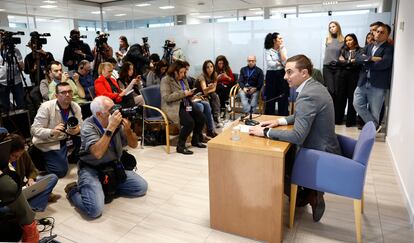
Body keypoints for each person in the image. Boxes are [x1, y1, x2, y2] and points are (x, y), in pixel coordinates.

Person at [249, 54, 341, 222]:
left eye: (289, 72)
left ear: (304, 73)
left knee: (276, 165)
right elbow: (301, 115)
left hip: (319, 154)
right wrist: (279, 121)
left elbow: (298, 136)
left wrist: (265, 132)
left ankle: (308, 196)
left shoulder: (308, 95)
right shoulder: (314, 87)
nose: (285, 77)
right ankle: (306, 194)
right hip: (325, 145)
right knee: (284, 157)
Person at [64, 96, 148, 218]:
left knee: (140, 188)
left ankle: (105, 188)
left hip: (113, 166)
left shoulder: (116, 123)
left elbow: (134, 145)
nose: (116, 112)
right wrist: (111, 128)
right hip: (91, 169)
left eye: (115, 107)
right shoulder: (88, 126)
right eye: (111, 110)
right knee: (94, 210)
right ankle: (73, 191)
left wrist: (128, 130)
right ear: (99, 114)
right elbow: (97, 153)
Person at [31, 82, 83, 178]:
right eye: (63, 92)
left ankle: (68, 156)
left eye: (69, 91)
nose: (67, 94)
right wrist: (51, 131)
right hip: (52, 140)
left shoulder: (75, 106)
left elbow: (81, 125)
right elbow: (34, 130)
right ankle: (38, 154)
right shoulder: (46, 107)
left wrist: (77, 130)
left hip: (68, 138)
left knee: (87, 148)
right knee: (60, 172)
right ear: (56, 96)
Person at [4, 133, 60, 212]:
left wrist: (31, 179)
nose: (17, 158)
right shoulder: (2, 160)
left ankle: (31, 206)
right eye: (14, 156)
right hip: (11, 195)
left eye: (19, 156)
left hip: (22, 188)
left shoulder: (22, 153)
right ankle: (37, 200)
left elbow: (31, 169)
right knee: (4, 209)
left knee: (53, 177)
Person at [160, 60, 206, 155]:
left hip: (186, 103)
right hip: (173, 106)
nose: (183, 74)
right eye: (181, 72)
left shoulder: (184, 79)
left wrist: (190, 93)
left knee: (201, 118)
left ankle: (195, 140)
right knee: (189, 122)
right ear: (174, 71)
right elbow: (167, 97)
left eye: (184, 72)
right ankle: (180, 146)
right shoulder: (166, 80)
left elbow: (186, 92)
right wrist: (183, 93)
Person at [354, 23, 394, 131]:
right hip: (362, 82)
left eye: (382, 32)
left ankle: (372, 134)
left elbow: (385, 63)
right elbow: (357, 58)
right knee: (357, 104)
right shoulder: (368, 46)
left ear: (387, 35)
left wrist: (366, 61)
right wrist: (372, 58)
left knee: (375, 111)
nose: (378, 34)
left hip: (377, 85)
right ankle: (376, 126)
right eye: (377, 31)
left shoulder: (389, 48)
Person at [338, 33, 362, 127]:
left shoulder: (360, 50)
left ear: (355, 40)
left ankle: (350, 121)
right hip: (343, 76)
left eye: (350, 40)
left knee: (352, 98)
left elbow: (358, 63)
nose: (348, 42)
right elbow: (339, 63)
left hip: (354, 76)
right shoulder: (343, 50)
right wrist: (350, 62)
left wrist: (346, 62)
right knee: (341, 98)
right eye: (346, 40)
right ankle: (338, 120)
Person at [323, 21, 345, 124]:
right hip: (327, 67)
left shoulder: (343, 40)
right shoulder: (327, 39)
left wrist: (342, 59)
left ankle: (337, 118)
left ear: (338, 27)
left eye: (333, 26)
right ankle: (329, 117)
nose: (331, 28)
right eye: (330, 27)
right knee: (330, 92)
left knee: (337, 93)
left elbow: (344, 55)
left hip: (338, 67)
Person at [264, 32, 289, 116]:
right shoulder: (268, 50)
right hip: (271, 75)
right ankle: (269, 116)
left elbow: (285, 62)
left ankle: (283, 116)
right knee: (270, 97)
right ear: (274, 40)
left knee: (283, 96)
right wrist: (278, 63)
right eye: (280, 38)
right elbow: (270, 63)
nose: (282, 40)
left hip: (281, 73)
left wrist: (281, 50)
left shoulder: (283, 48)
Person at [0, 39, 25, 113]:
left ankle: (23, 120)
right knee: (5, 106)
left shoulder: (16, 51)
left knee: (21, 104)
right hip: (2, 82)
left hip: (16, 81)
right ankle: (8, 122)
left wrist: (19, 65)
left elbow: (22, 67)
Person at [195, 60, 222, 127]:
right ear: (205, 68)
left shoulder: (215, 74)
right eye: (207, 67)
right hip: (198, 95)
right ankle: (210, 122)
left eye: (211, 66)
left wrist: (209, 89)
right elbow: (204, 90)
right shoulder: (202, 76)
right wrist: (209, 88)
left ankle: (216, 118)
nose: (210, 69)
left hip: (208, 93)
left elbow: (214, 89)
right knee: (209, 99)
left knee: (215, 95)